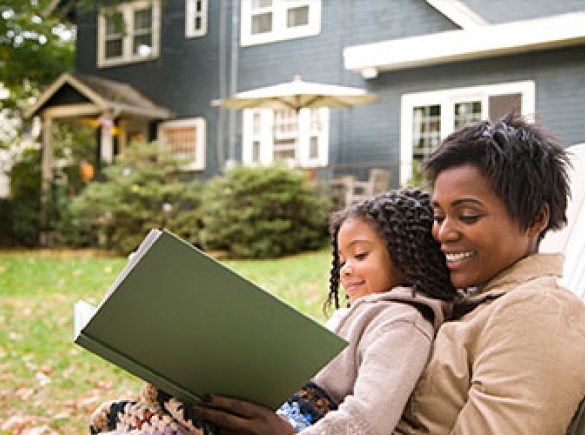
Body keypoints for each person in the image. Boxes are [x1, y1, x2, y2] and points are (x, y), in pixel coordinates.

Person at [187, 112, 585, 434]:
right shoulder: (469, 303)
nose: (443, 233)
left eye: (468, 215)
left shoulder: (538, 315)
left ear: (535, 219)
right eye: (439, 215)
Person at [89, 187, 458, 434]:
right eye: (341, 259)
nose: (345, 269)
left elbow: (369, 419)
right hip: (281, 410)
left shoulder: (404, 321)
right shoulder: (361, 311)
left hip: (299, 426)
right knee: (140, 404)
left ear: (409, 257)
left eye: (360, 255)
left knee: (125, 419)